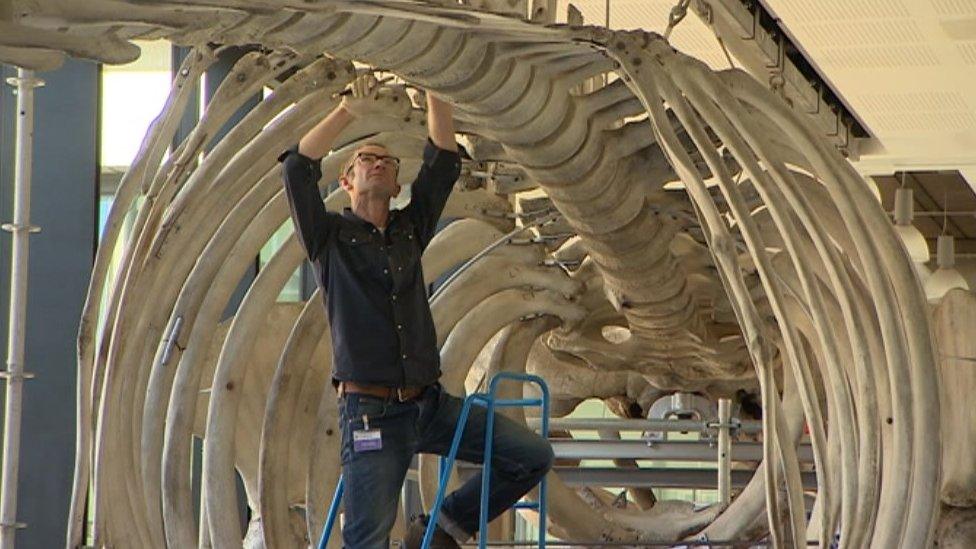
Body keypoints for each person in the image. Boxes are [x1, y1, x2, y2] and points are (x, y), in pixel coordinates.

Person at [278, 74, 554, 549]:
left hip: (430, 406)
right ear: (346, 180)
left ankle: (442, 527)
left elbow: (443, 162)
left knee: (531, 455)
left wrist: (436, 84)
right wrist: (349, 112)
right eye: (368, 159)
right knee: (366, 540)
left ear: (398, 180)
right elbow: (296, 169)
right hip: (371, 416)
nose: (379, 165)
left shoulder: (410, 231)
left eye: (388, 162)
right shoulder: (329, 241)